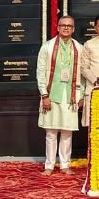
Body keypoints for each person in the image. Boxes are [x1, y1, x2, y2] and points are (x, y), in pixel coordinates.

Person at [36, 13, 83, 173]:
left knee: (67, 133)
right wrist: (44, 95)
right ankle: (49, 166)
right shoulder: (47, 47)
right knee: (51, 132)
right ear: (57, 27)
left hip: (71, 95)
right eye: (63, 25)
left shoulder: (79, 48)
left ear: (73, 29)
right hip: (51, 94)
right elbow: (40, 71)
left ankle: (65, 165)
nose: (66, 28)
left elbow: (83, 74)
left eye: (69, 26)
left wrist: (81, 95)